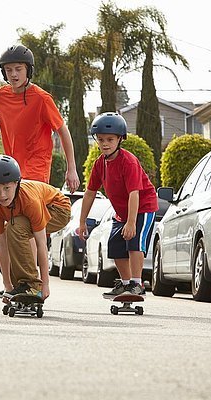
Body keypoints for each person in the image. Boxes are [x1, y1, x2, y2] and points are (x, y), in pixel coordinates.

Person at [0, 44, 79, 192]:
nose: (13, 74)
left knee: (29, 208)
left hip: (36, 167)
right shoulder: (0, 95)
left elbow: (63, 131)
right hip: (12, 167)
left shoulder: (41, 99)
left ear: (28, 70)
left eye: (18, 69)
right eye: (8, 70)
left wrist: (71, 169)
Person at [76, 112, 158, 297]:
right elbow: (90, 193)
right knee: (115, 244)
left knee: (134, 242)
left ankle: (137, 284)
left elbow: (134, 193)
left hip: (142, 207)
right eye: (101, 139)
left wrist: (131, 223)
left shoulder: (128, 162)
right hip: (122, 212)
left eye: (110, 139)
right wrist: (82, 222)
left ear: (120, 139)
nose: (105, 143)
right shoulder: (99, 164)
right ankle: (126, 283)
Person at [0, 155, 71, 300]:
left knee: (15, 227)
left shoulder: (29, 200)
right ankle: (19, 286)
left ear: (16, 184)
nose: (2, 195)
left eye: (6, 188)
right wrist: (7, 286)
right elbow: (1, 245)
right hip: (25, 215)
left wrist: (45, 285)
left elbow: (41, 244)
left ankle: (32, 286)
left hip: (58, 209)